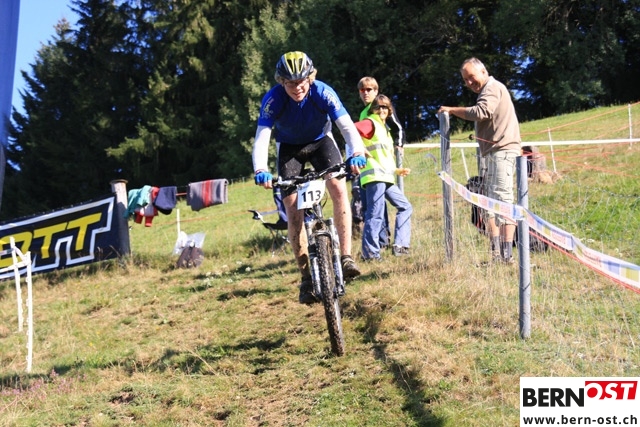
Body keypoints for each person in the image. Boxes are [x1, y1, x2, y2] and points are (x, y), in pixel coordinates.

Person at [252, 51, 367, 304]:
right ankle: (306, 279)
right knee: (292, 208)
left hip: (321, 142)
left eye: (301, 81)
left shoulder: (323, 92)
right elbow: (262, 136)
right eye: (290, 83)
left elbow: (346, 126)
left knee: (338, 187)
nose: (297, 88)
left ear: (310, 77)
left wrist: (357, 153)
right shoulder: (273, 99)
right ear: (282, 82)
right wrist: (260, 169)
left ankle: (346, 257)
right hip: (289, 149)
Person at [437, 57, 521, 264]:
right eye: (465, 80)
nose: (469, 83)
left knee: (503, 200)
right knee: (489, 203)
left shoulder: (492, 88)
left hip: (502, 152)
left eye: (471, 77)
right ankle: (496, 253)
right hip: (493, 153)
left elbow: (482, 112)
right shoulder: (488, 90)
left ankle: (506, 255)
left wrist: (451, 110)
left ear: (483, 72)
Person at [355, 95, 412, 261]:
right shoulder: (370, 122)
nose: (381, 110)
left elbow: (382, 157)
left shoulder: (384, 129)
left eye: (385, 107)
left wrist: (396, 170)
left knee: (405, 207)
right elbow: (350, 129)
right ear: (373, 110)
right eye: (378, 107)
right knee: (375, 214)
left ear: (389, 110)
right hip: (374, 176)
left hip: (386, 177)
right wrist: (359, 148)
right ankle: (370, 254)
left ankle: (400, 245)